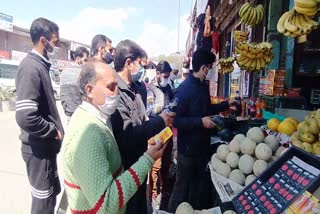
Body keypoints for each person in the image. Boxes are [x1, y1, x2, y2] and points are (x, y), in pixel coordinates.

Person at [61, 60, 168, 214]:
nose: (117, 92)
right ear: (89, 90)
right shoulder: (88, 134)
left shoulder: (96, 119)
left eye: (117, 85)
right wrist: (147, 160)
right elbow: (107, 203)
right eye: (111, 87)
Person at [110, 39, 175, 214]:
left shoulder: (138, 88)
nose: (143, 69)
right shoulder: (114, 91)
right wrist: (160, 121)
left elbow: (142, 120)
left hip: (141, 160)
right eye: (141, 64)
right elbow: (128, 134)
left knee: (140, 205)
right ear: (129, 63)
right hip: (126, 167)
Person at [168, 49, 236, 211]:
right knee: (181, 190)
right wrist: (200, 122)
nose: (212, 70)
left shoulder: (203, 86)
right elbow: (175, 120)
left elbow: (207, 109)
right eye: (211, 67)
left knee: (198, 191)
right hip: (188, 152)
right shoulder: (183, 90)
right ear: (205, 68)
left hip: (202, 150)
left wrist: (227, 103)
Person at [15, 17, 64, 214]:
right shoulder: (30, 67)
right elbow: (26, 116)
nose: (58, 46)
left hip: (45, 149)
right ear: (44, 41)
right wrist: (53, 131)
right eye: (56, 42)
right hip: (38, 150)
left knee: (49, 200)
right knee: (42, 206)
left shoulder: (40, 65)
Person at [147, 60, 175, 211]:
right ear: (157, 74)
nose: (166, 78)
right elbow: (149, 112)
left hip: (168, 132)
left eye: (168, 76)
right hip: (156, 133)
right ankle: (152, 196)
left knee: (166, 164)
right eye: (164, 75)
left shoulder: (169, 86)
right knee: (155, 168)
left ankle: (164, 196)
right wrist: (164, 109)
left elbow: (173, 100)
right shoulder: (150, 89)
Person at [60, 46, 89, 121]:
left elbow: (62, 95)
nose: (86, 63)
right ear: (78, 58)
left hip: (69, 115)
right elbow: (86, 96)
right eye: (85, 60)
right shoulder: (83, 74)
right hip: (82, 115)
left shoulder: (64, 72)